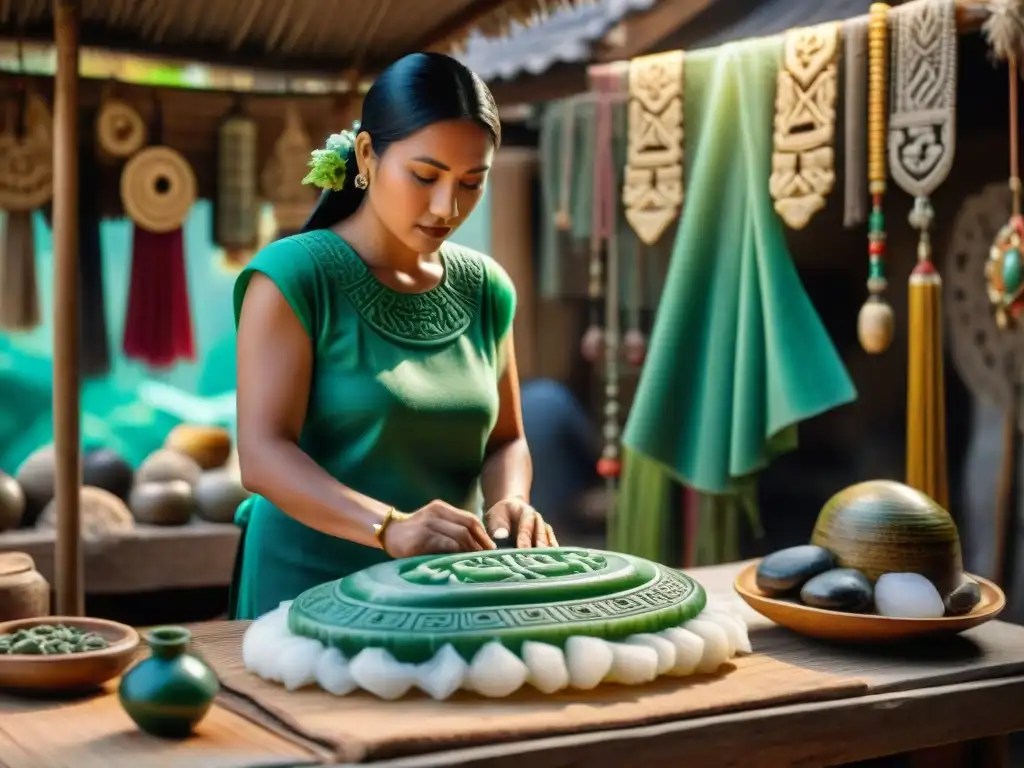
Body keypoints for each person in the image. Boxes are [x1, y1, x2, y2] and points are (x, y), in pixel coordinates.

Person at [229, 53, 556, 621]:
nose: (446, 208)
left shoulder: (486, 290)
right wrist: (388, 528)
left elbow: (505, 440)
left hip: (444, 592)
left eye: (471, 183)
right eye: (425, 177)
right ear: (366, 155)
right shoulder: (294, 278)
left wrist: (511, 501)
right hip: (303, 593)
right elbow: (261, 455)